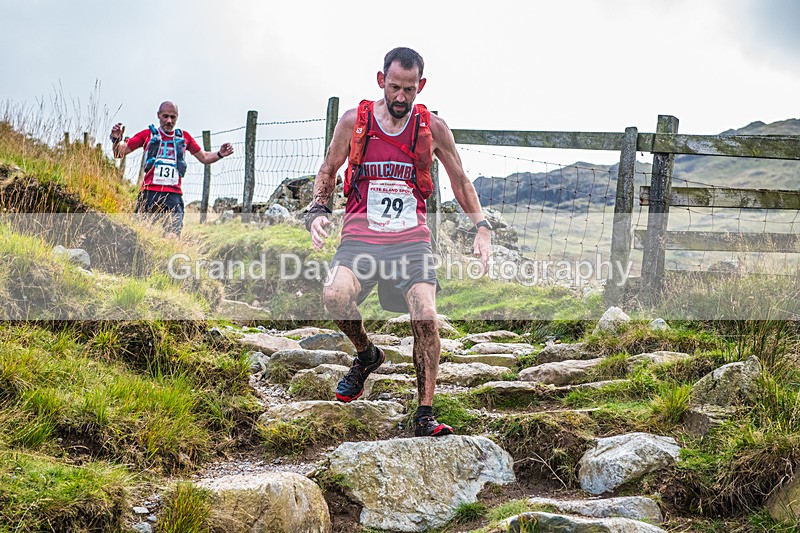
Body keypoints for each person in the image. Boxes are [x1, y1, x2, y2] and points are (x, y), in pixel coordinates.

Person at [305, 47, 492, 437]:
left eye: (409, 89)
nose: (401, 97)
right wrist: (318, 209)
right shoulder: (354, 122)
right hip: (360, 237)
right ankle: (367, 354)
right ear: (381, 81)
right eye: (394, 87)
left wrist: (482, 227)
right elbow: (329, 168)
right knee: (334, 295)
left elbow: (460, 180)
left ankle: (424, 413)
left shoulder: (433, 128)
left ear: (421, 85)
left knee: (425, 316)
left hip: (410, 242)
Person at [110, 101, 234, 235]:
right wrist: (116, 140)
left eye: (173, 117)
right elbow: (119, 153)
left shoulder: (184, 137)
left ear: (177, 117)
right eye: (165, 116)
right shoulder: (147, 134)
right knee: (140, 234)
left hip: (173, 195)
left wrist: (220, 154)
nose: (169, 121)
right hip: (149, 193)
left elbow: (204, 157)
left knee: (172, 235)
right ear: (158, 115)